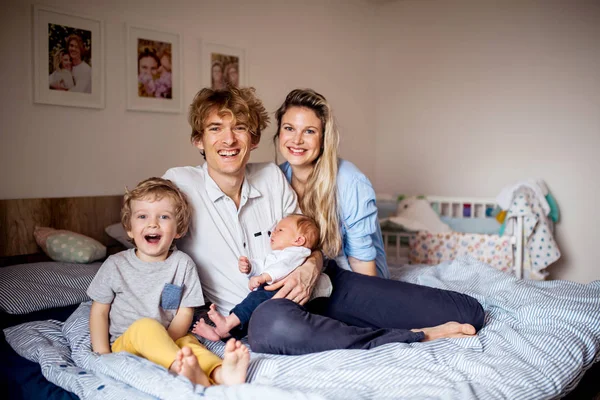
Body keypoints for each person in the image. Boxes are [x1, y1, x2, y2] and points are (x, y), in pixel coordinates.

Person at [163, 86, 484, 356]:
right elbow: (154, 256)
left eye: (240, 128)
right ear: (198, 140)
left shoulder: (273, 177)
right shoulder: (179, 185)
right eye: (215, 128)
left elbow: (311, 245)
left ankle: (359, 322)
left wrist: (310, 267)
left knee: (469, 312)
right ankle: (413, 337)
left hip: (322, 284)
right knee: (273, 327)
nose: (228, 140)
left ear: (256, 137)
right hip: (261, 311)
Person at [87, 177, 249, 387]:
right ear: (129, 228)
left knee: (191, 344)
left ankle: (219, 374)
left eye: (164, 217)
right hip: (126, 344)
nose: (152, 223)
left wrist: (167, 339)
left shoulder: (182, 264)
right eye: (142, 216)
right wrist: (103, 354)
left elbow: (184, 312)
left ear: (178, 229)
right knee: (146, 326)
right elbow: (99, 311)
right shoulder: (115, 265)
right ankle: (182, 372)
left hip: (171, 337)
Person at [274, 88, 389, 278]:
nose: (297, 140)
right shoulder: (276, 178)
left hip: (355, 279)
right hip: (310, 280)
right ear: (279, 132)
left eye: (309, 131)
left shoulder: (351, 182)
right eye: (289, 128)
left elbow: (362, 265)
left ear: (323, 138)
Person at [192, 213, 322, 341]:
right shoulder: (279, 254)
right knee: (252, 315)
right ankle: (222, 333)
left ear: (298, 240)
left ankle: (227, 323)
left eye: (280, 230)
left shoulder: (297, 252)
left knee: (253, 300)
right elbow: (264, 265)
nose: (273, 232)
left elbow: (284, 267)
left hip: (282, 291)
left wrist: (264, 277)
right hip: (274, 291)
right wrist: (250, 267)